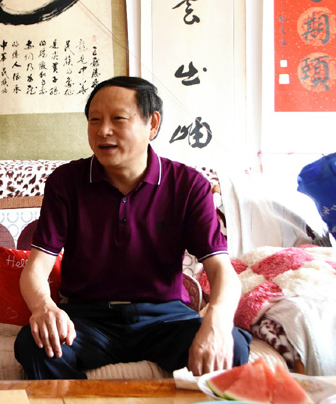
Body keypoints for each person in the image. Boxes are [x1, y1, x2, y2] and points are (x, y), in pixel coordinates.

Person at [14, 76, 251, 379]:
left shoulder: (188, 185)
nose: (103, 130)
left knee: (234, 347)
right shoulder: (66, 182)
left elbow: (221, 269)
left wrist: (217, 319)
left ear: (152, 124)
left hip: (164, 318)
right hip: (86, 319)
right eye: (95, 120)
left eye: (118, 119)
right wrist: (44, 307)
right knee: (34, 345)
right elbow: (36, 269)